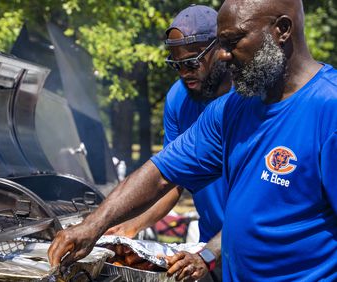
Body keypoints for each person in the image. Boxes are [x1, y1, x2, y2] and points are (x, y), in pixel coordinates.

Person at [48, 0, 337, 280]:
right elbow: (163, 173)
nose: (223, 55)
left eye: (233, 41)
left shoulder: (329, 109)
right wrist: (93, 225)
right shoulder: (233, 108)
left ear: (282, 30)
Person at [104, 5, 231, 281]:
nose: (184, 73)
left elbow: (256, 202)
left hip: (247, 247)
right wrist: (131, 227)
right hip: (211, 245)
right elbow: (172, 180)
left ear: (218, 49)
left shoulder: (246, 101)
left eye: (192, 63)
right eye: (177, 65)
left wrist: (210, 254)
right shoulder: (178, 99)